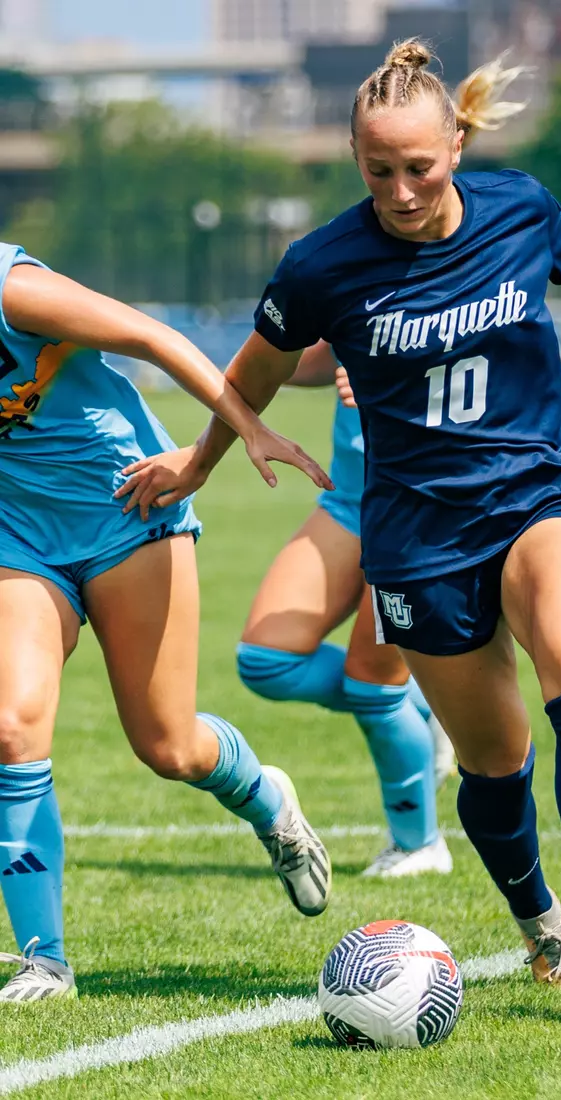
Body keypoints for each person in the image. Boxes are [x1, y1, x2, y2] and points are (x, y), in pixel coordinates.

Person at [118, 41, 561, 1013]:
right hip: (419, 533)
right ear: (356, 158)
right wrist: (203, 456)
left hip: (543, 487)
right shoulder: (324, 263)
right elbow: (257, 364)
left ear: (457, 145)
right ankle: (540, 922)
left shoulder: (519, 206)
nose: (401, 190)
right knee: (493, 757)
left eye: (419, 167)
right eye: (378, 170)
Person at [0, 246, 334, 1003]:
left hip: (128, 504)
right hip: (17, 536)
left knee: (169, 746)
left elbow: (153, 337)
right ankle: (44, 960)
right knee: (11, 726)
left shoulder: (14, 291)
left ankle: (267, 801)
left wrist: (242, 429)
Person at [236, 340, 455, 878]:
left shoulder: (458, 261)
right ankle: (434, 707)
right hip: (348, 497)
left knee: (372, 687)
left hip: (421, 502)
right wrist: (262, 371)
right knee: (266, 659)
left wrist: (397, 384)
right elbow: (328, 354)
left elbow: (498, 368)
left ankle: (419, 844)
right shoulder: (341, 261)